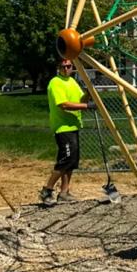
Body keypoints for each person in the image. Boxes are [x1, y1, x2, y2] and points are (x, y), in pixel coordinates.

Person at [40, 58, 95, 205]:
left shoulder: (72, 82)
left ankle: (64, 192)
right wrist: (87, 106)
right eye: (63, 67)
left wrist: (89, 93)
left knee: (72, 161)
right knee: (66, 159)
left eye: (69, 66)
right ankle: (47, 190)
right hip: (62, 127)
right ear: (58, 68)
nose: (66, 69)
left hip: (74, 126)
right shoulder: (55, 83)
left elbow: (80, 99)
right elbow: (63, 104)